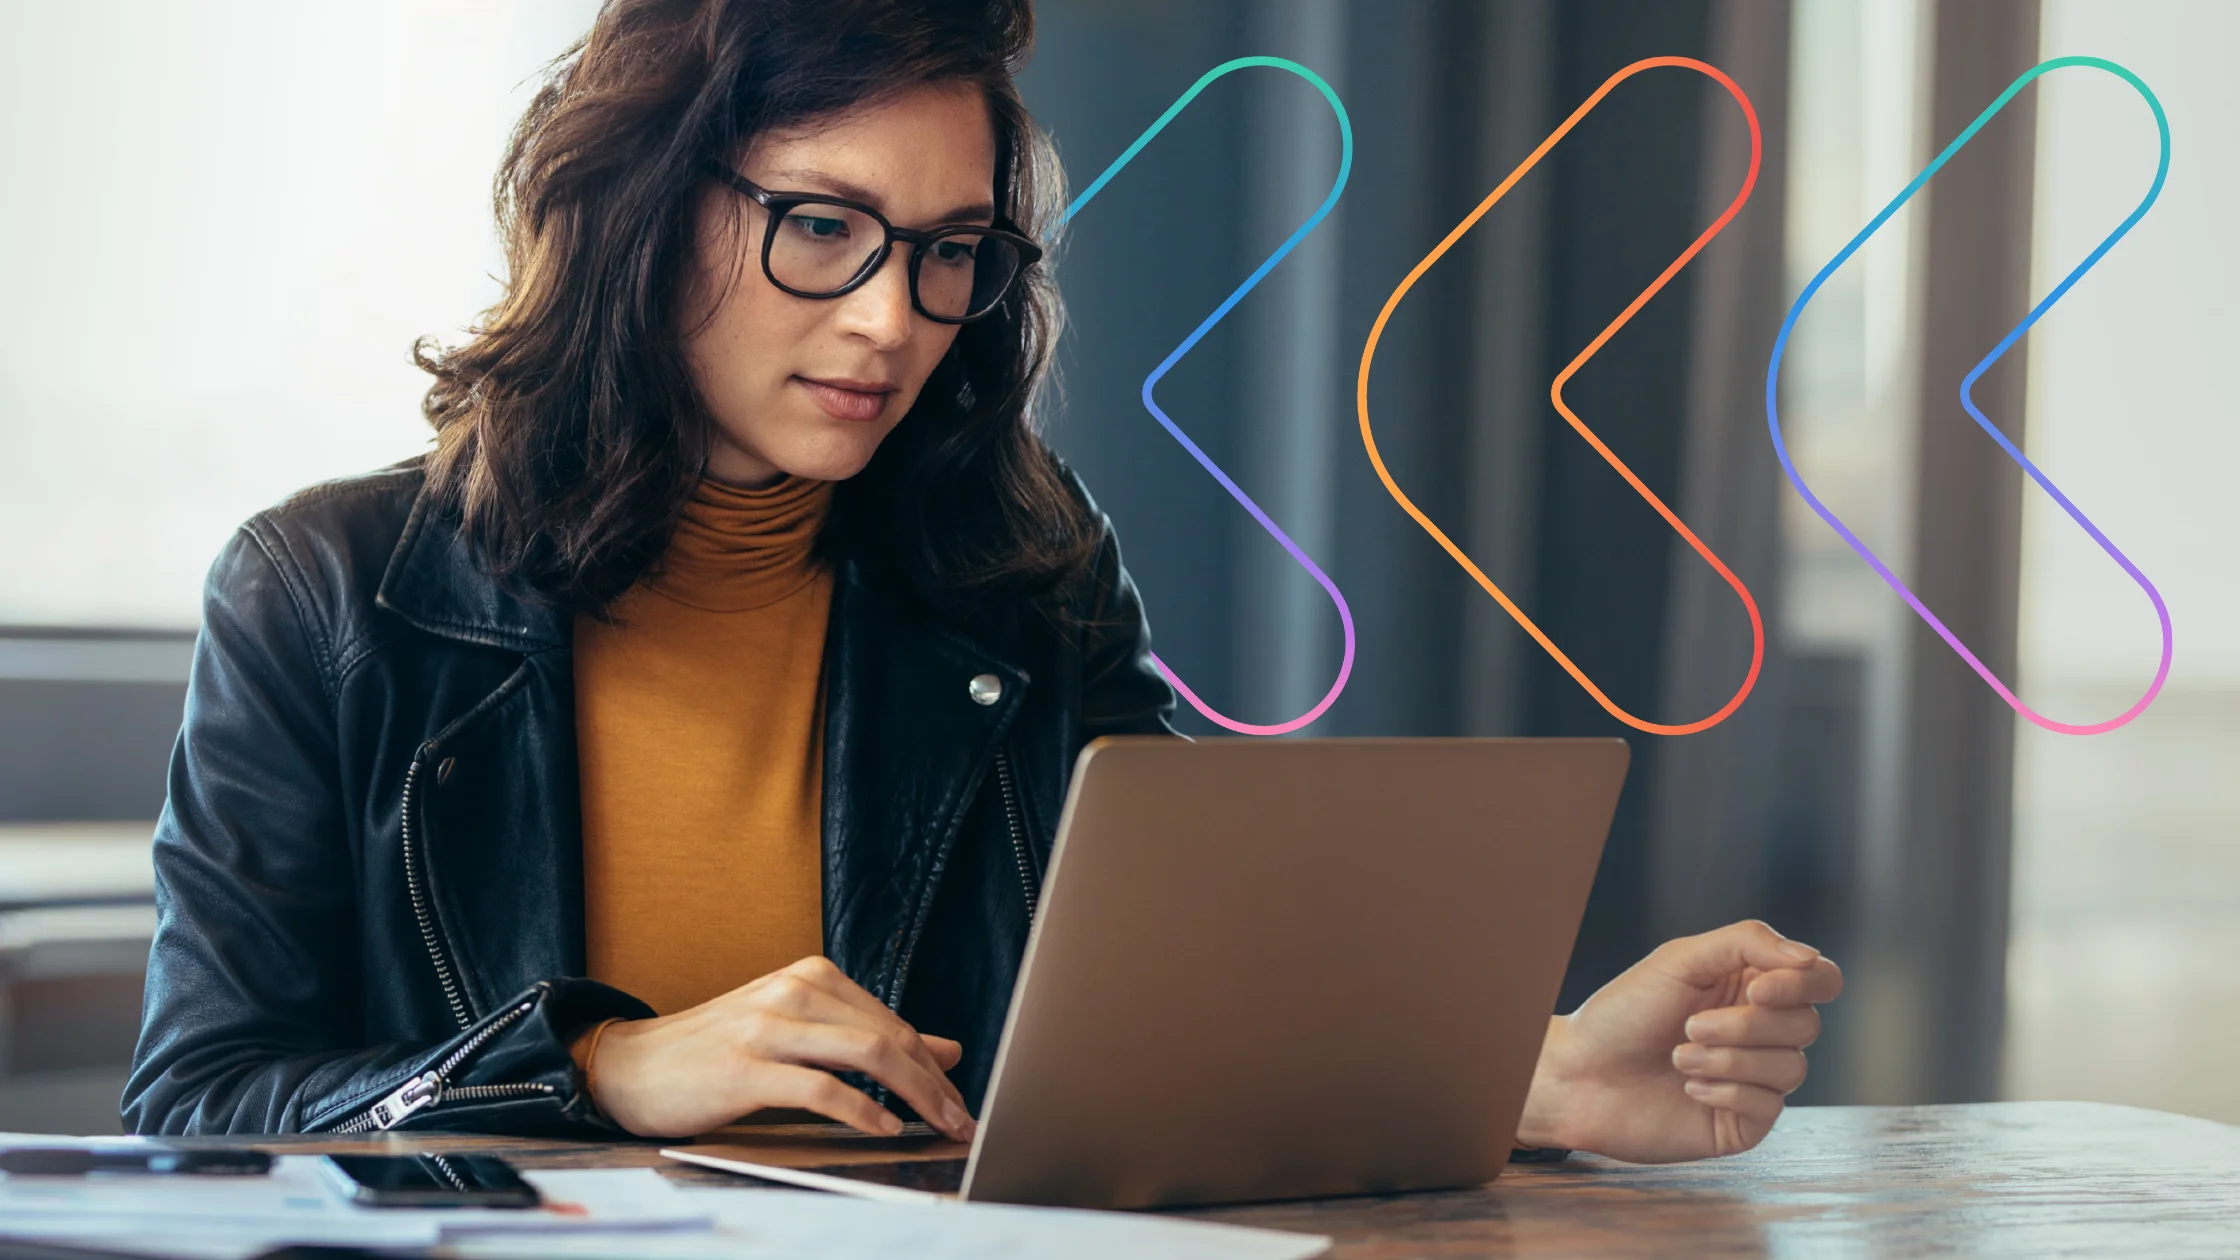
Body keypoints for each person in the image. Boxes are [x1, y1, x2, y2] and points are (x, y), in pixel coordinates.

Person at [123, 0, 1841, 1162]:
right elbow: (198, 1108)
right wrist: (595, 1071)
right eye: (821, 225)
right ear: (641, 209)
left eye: (951, 251)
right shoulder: (330, 594)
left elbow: (1170, 1009)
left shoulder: (1018, 563)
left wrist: (1528, 1075)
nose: (892, 318)